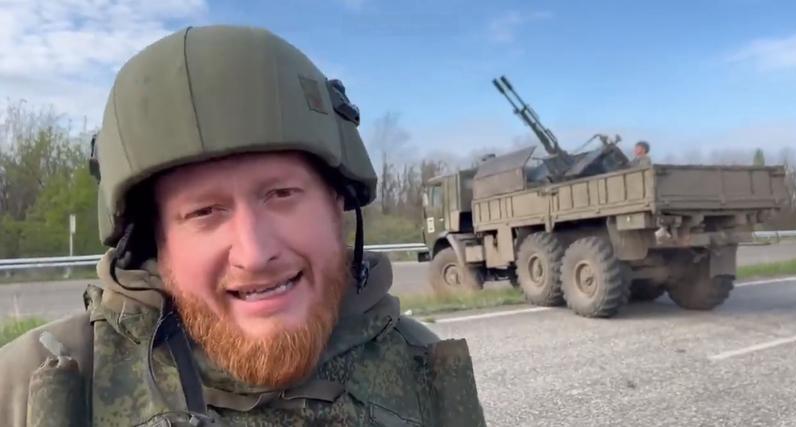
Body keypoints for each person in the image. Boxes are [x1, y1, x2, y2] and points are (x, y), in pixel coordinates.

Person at [0, 25, 486, 426]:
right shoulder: (35, 386)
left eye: (282, 195)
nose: (254, 253)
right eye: (204, 212)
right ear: (155, 239)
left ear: (336, 200)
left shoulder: (423, 367)